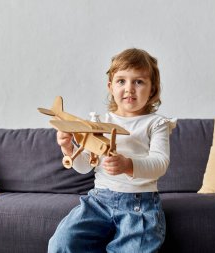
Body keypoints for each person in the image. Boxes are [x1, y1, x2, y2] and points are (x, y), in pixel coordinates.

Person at [48, 48, 176, 253]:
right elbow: (85, 166)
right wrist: (68, 147)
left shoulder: (156, 123)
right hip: (99, 201)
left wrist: (128, 165)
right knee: (62, 243)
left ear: (152, 89)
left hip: (139, 205)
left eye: (139, 81)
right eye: (121, 81)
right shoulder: (99, 122)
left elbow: (160, 163)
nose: (129, 88)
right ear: (110, 87)